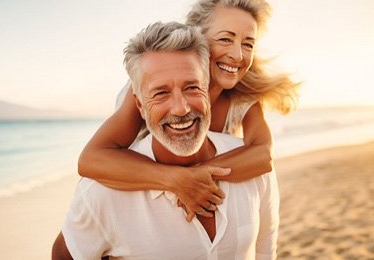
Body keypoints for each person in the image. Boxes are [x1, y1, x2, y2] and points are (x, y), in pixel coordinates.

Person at [52, 21, 280, 259]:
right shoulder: (101, 193)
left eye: (192, 87)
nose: (180, 109)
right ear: (139, 105)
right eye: (160, 93)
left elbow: (266, 248)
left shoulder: (253, 167)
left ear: (207, 89)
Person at [78, 0, 298, 220]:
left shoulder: (243, 97)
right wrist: (174, 179)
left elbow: (263, 155)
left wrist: (197, 176)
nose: (237, 55)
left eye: (248, 44)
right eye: (226, 39)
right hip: (130, 202)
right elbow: (92, 160)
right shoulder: (152, 88)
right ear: (197, 37)